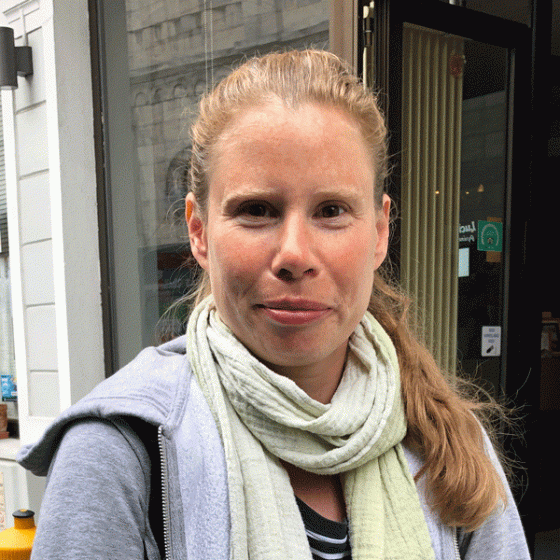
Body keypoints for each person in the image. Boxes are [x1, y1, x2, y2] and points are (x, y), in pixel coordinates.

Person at [17, 49, 530, 560]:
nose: (295, 254)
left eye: (331, 210)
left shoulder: (448, 443)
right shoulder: (117, 451)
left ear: (379, 231)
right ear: (199, 231)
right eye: (257, 210)